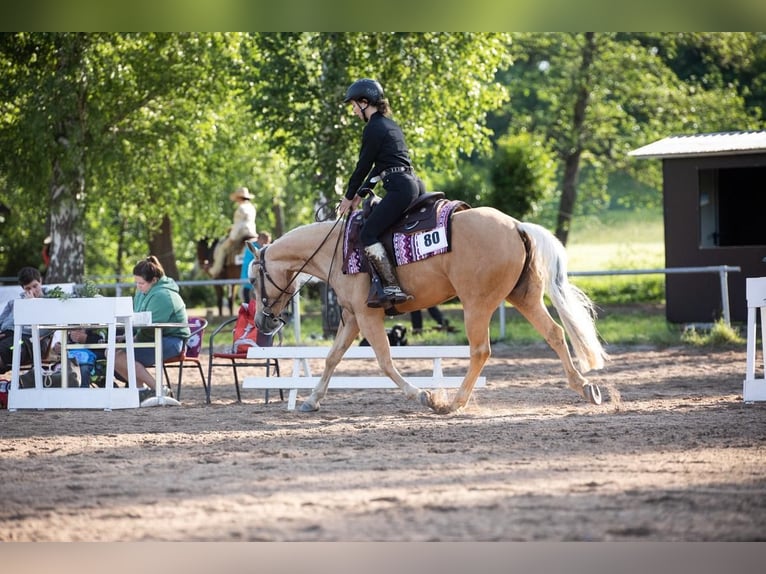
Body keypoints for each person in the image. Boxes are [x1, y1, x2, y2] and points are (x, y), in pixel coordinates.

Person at [337, 78, 425, 308]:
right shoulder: (390, 125)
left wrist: (348, 197)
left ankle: (391, 286)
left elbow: (363, 165)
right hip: (411, 183)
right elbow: (380, 166)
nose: (354, 110)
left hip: (399, 187)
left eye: (355, 105)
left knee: (367, 233)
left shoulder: (373, 128)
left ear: (365, 102)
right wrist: (362, 192)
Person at [113, 256, 190, 402]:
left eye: (141, 283)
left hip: (170, 342)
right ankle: (141, 392)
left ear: (154, 280)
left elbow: (151, 327)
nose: (138, 286)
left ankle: (158, 390)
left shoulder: (163, 295)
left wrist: (133, 339)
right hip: (153, 338)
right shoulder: (142, 292)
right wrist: (125, 336)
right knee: (112, 353)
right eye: (136, 282)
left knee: (119, 356)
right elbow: (137, 319)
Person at [0, 267, 46, 374]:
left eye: (35, 286)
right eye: (28, 288)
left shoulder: (48, 302)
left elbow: (45, 329)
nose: (32, 291)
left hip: (27, 339)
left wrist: (31, 305)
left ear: (41, 281)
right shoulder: (13, 303)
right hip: (6, 334)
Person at [209, 186, 257, 277]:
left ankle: (214, 270)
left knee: (222, 248)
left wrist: (232, 237)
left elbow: (239, 226)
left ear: (239, 198)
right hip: (252, 232)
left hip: (241, 233)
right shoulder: (252, 208)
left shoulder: (240, 209)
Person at [240, 231, 271, 304]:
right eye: (266, 242)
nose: (267, 244)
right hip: (251, 282)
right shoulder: (255, 249)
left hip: (250, 281)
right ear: (261, 239)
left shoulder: (254, 248)